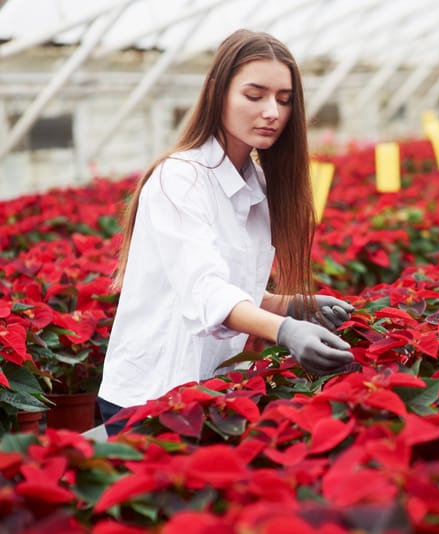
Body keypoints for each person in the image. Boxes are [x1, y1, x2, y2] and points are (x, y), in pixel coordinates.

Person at [97, 29, 354, 436]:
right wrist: (285, 330)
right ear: (217, 92)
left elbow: (232, 285)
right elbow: (203, 291)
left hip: (208, 392)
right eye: (255, 96)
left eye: (284, 100)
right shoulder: (180, 179)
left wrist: (289, 306)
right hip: (150, 396)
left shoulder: (257, 186)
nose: (272, 111)